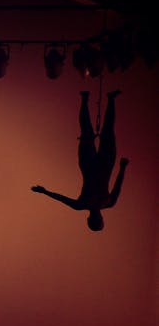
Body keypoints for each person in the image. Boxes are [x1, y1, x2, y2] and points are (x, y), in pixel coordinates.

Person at [32, 90, 129, 231]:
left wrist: (45, 192)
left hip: (93, 165)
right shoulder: (103, 203)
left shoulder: (88, 204)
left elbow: (61, 198)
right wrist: (123, 167)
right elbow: (118, 186)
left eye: (95, 220)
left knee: (93, 131)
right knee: (102, 130)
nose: (96, 217)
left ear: (93, 219)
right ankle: (101, 99)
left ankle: (94, 99)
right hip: (101, 164)